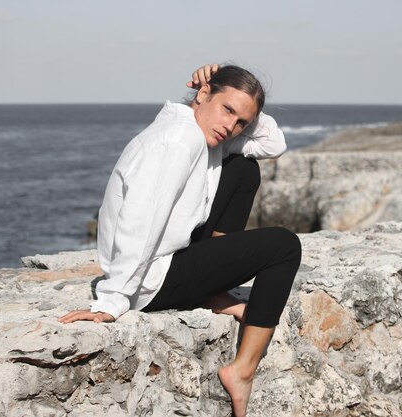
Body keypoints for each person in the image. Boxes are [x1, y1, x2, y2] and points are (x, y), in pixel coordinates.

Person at [59, 64, 302, 416]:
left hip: (169, 258)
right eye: (227, 109)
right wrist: (112, 301)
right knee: (284, 246)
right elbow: (140, 221)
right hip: (151, 281)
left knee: (243, 170)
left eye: (240, 123)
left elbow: (273, 144)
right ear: (203, 94)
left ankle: (216, 293)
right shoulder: (179, 141)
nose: (229, 126)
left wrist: (247, 109)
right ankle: (242, 370)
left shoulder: (197, 129)